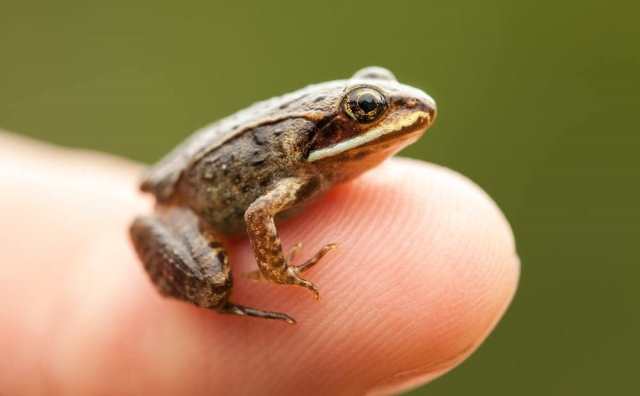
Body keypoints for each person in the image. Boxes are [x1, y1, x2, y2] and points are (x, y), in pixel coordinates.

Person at [0, 131, 519, 395]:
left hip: (186, 173)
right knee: (212, 281)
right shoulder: (296, 170)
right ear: (331, 129)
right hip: (186, 208)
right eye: (365, 109)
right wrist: (277, 271)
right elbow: (259, 208)